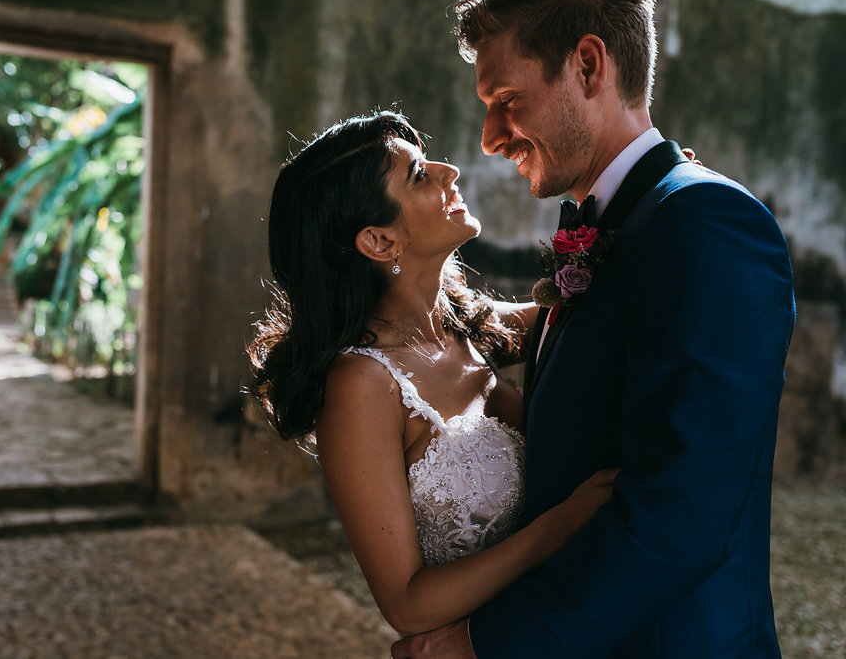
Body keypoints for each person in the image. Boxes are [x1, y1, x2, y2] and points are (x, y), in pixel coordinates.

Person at [390, 0, 795, 657]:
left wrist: (484, 645)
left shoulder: (707, 223)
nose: (491, 139)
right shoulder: (612, 222)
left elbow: (682, 514)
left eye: (507, 102)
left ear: (587, 65)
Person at [248, 111, 619, 636]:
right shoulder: (362, 385)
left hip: (558, 626)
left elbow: (590, 307)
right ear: (379, 241)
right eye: (419, 175)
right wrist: (558, 527)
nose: (451, 172)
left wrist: (653, 216)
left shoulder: (467, 326)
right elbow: (407, 605)